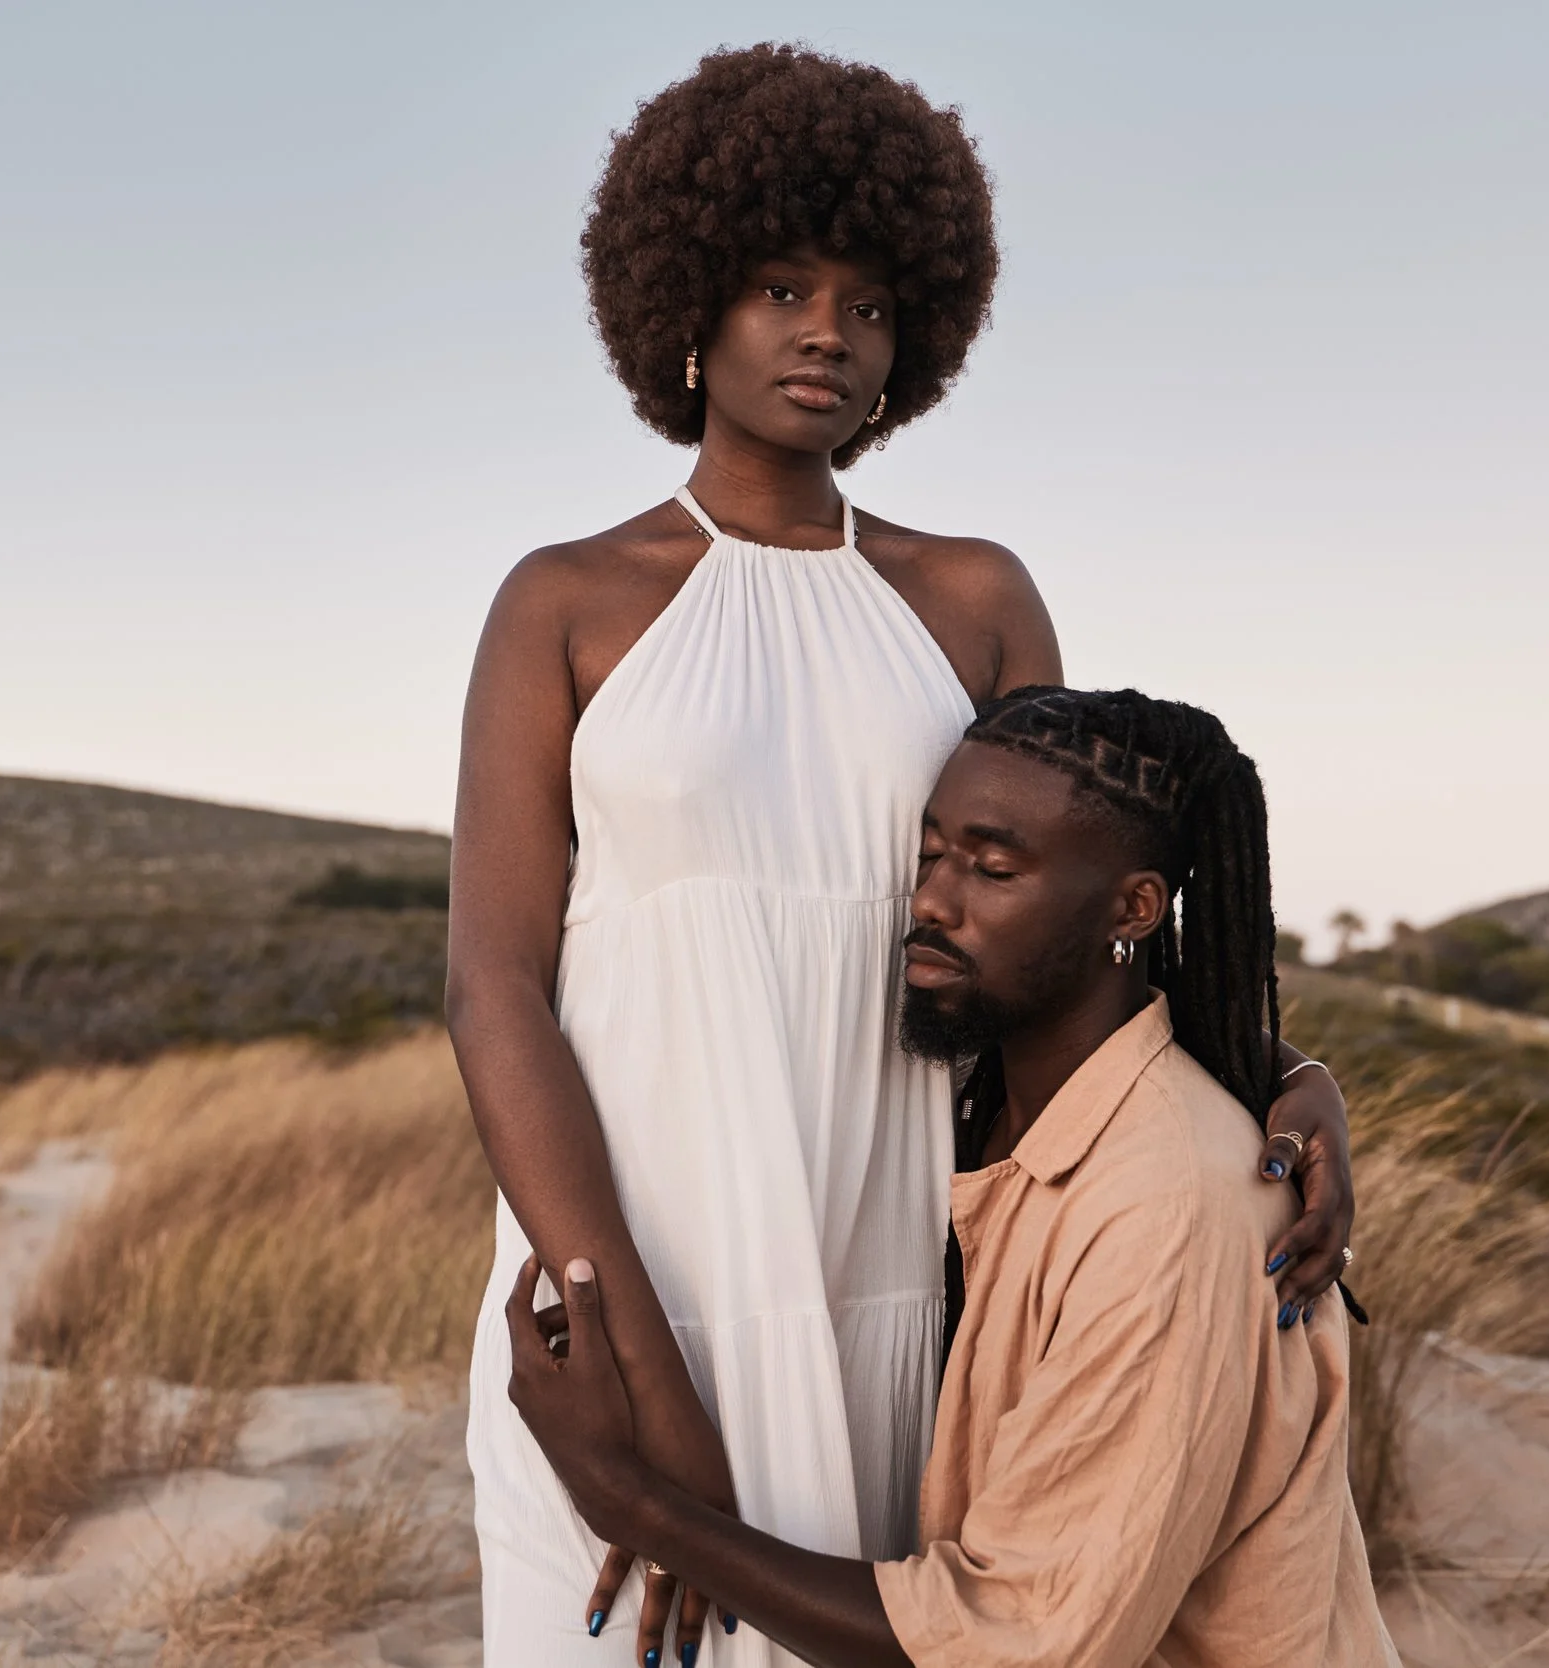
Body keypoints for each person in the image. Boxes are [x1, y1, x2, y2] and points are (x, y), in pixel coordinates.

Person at [448, 46, 1361, 1668]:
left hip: (892, 1288)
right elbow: (495, 983)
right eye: (782, 286)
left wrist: (1286, 1076)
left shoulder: (973, 597)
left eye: (869, 304)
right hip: (630, 1271)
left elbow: (1077, 916)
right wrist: (646, 1386)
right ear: (685, 302)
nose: (826, 331)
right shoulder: (563, 600)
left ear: (917, 339)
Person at [506, 687, 1397, 1668]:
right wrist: (1300, 1072)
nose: (932, 898)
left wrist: (625, 1496)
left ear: (1133, 908)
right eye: (931, 853)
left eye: (994, 867)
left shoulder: (1166, 1207)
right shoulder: (981, 1097)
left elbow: (1019, 1641)